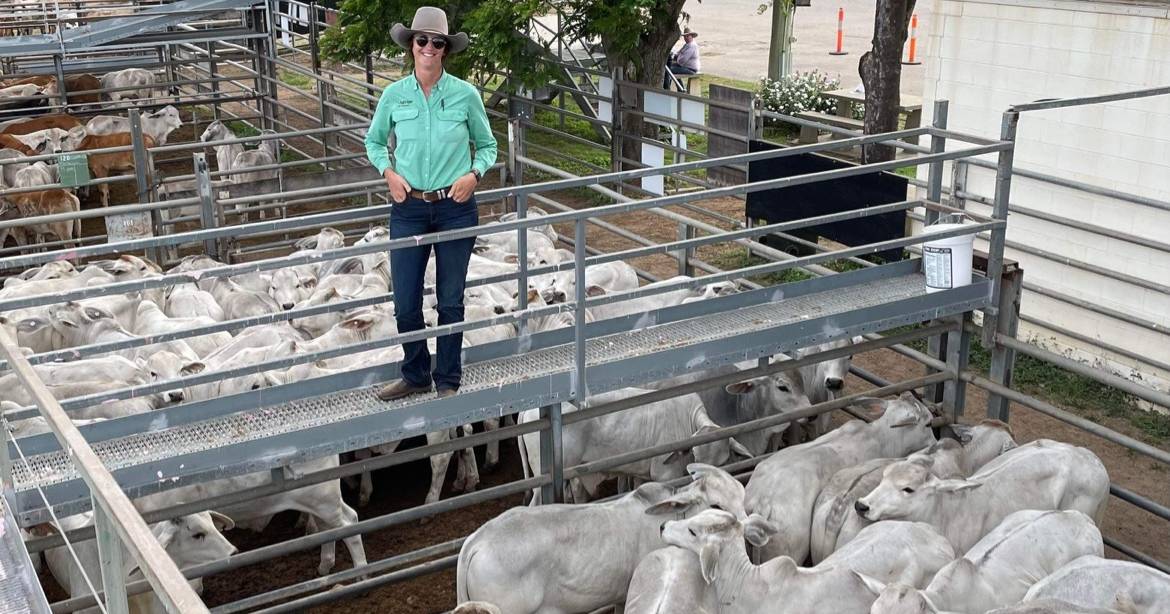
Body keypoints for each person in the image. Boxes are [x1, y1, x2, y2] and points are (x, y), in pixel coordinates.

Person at [364, 6, 497, 401]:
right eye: (422, 40)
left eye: (436, 42)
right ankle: (416, 372)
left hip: (455, 206)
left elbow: (488, 146)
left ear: (445, 49)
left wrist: (474, 176)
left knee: (451, 300)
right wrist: (388, 172)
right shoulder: (394, 96)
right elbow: (374, 141)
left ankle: (449, 379)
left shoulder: (465, 95)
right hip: (409, 207)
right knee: (405, 301)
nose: (429, 47)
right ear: (411, 45)